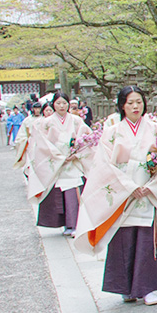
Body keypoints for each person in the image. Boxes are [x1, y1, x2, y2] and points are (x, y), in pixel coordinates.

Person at [74, 86, 157, 306]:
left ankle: (148, 287)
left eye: (138, 101)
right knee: (124, 240)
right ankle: (126, 287)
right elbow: (103, 166)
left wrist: (152, 183)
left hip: (150, 191)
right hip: (125, 194)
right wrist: (129, 186)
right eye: (130, 102)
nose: (135, 106)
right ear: (122, 105)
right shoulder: (112, 133)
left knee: (149, 240)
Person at [27, 93, 92, 236]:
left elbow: (87, 138)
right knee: (58, 194)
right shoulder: (46, 122)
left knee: (73, 193)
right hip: (56, 163)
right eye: (58, 103)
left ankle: (75, 224)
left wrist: (76, 153)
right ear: (53, 104)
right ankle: (65, 223)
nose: (62, 106)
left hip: (74, 161)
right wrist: (58, 156)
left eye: (64, 103)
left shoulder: (76, 120)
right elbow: (41, 144)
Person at [14, 102, 43, 176]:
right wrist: (24, 140)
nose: (37, 110)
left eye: (39, 108)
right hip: (31, 143)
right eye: (36, 108)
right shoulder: (27, 120)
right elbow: (22, 134)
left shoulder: (44, 119)